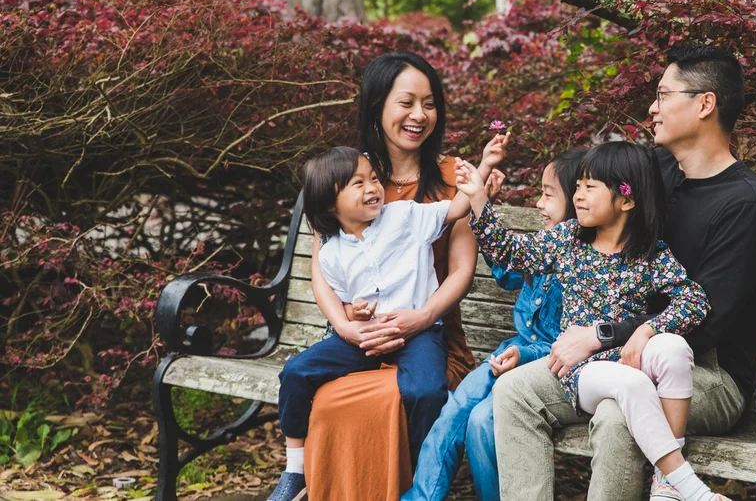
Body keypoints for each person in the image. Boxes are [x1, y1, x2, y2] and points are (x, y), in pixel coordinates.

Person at [492, 44, 756, 501]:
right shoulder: (654, 173)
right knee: (513, 393)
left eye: (664, 95)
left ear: (705, 103)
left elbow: (708, 320)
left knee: (616, 414)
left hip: (704, 372)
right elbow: (593, 208)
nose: (653, 107)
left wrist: (603, 333)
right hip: (615, 358)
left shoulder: (745, 205)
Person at [460, 140, 717, 500]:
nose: (578, 195)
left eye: (590, 187)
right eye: (577, 186)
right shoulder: (568, 239)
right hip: (576, 372)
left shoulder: (650, 255)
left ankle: (679, 485)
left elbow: (694, 299)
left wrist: (648, 328)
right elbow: (512, 253)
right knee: (511, 391)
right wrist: (478, 200)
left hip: (620, 371)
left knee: (624, 402)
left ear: (627, 199)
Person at [268, 135, 507, 501]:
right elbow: (346, 303)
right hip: (367, 336)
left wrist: (484, 167)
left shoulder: (405, 215)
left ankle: (416, 470)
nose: (372, 188)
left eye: (373, 179)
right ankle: (295, 468)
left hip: (419, 332)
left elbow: (456, 209)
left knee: (426, 390)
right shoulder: (332, 253)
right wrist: (354, 314)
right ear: (330, 204)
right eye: (357, 184)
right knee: (297, 372)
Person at [301, 52, 483, 501]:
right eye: (406, 102)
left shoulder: (449, 176)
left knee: (390, 398)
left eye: (430, 103)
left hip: (430, 343)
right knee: (328, 400)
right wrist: (345, 325)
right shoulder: (352, 175)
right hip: (361, 341)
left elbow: (462, 270)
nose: (419, 115)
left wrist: (421, 318)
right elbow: (321, 265)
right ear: (378, 106)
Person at [404, 147, 588, 501]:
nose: (538, 204)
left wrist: (526, 354)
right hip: (513, 352)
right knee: (456, 409)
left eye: (548, 195)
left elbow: (578, 345)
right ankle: (421, 496)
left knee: (483, 421)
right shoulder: (543, 244)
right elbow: (506, 272)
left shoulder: (589, 260)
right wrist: (481, 202)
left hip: (554, 367)